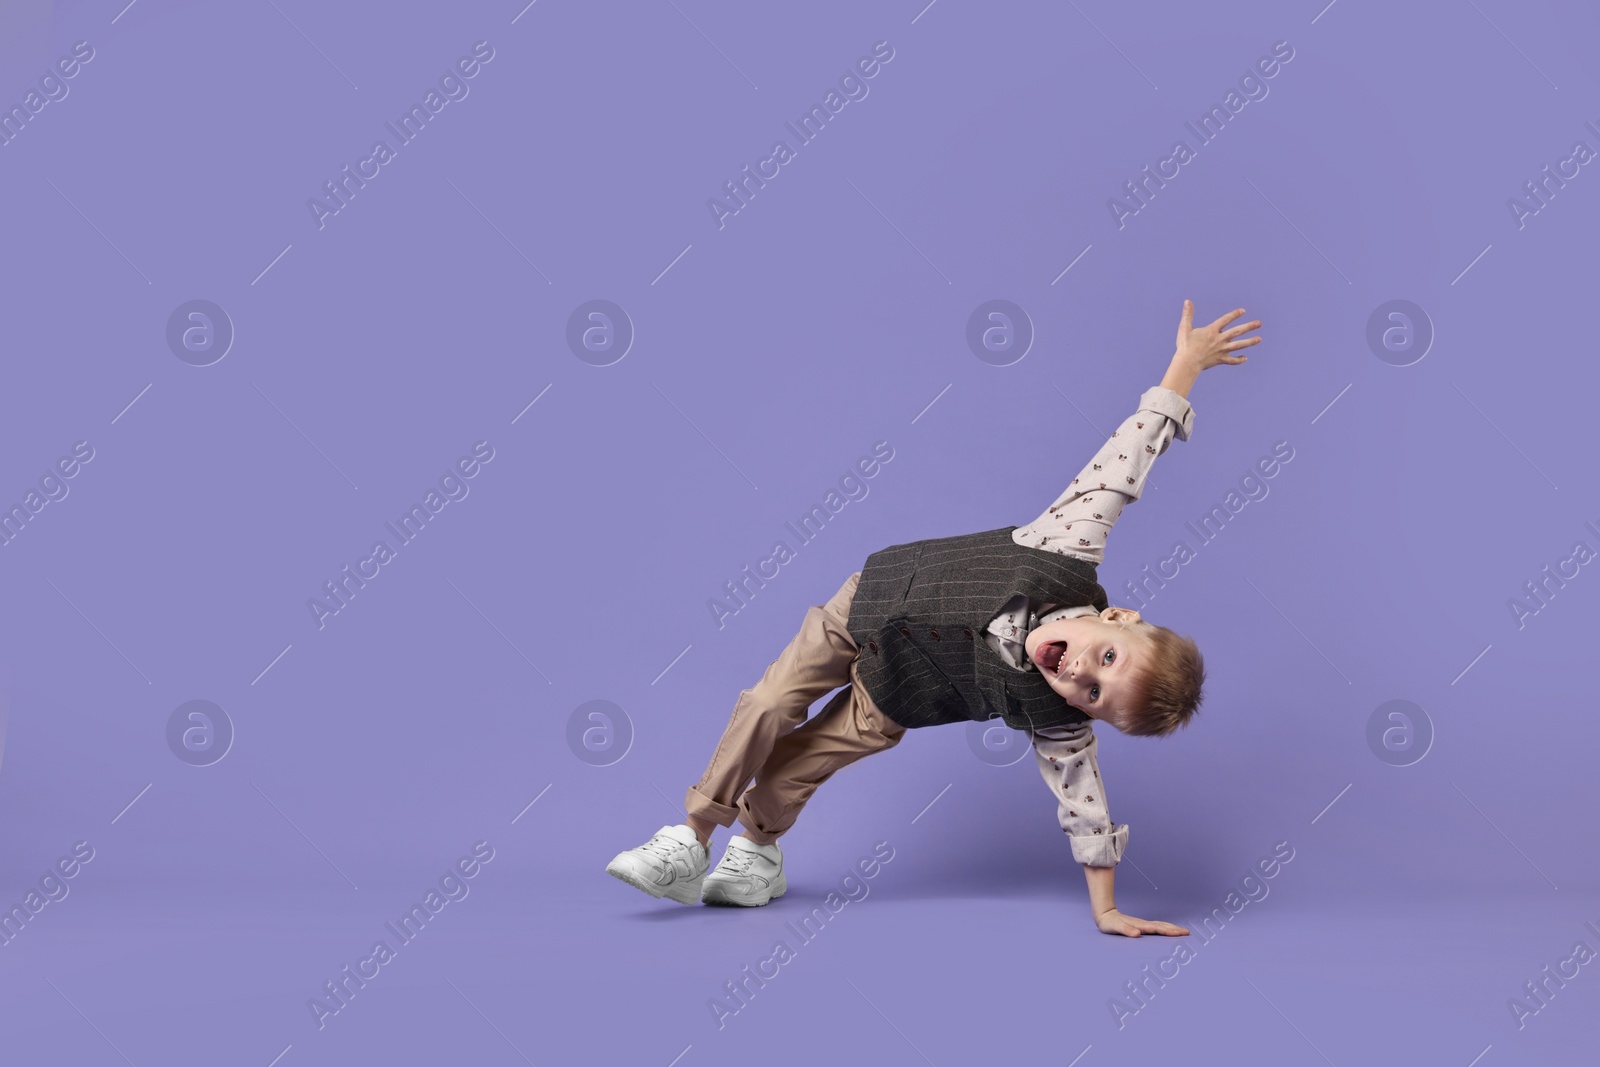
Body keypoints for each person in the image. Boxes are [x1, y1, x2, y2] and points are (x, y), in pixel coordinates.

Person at [607, 301, 1262, 936]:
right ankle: (690, 837)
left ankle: (757, 849)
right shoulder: (1065, 547)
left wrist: (1107, 909)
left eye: (1094, 697)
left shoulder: (1056, 719)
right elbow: (1122, 463)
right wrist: (1186, 368)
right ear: (1116, 616)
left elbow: (1086, 807)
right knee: (769, 702)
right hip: (865, 604)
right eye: (1107, 658)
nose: (1082, 673)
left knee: (801, 760)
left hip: (895, 697)